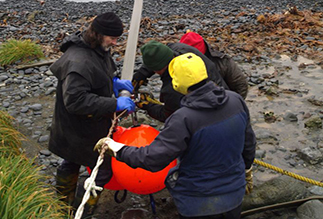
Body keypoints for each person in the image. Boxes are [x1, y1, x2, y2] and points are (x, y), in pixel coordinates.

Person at [99, 53, 256, 219]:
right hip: (234, 194)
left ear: (177, 83)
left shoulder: (183, 118)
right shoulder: (236, 100)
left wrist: (118, 149)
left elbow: (153, 158)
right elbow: (249, 143)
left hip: (198, 202)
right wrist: (247, 170)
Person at [48, 12, 135, 219]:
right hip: (79, 126)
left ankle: (62, 207)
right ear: (97, 34)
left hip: (79, 126)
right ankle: (81, 212)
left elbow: (99, 74)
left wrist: (112, 83)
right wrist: (115, 102)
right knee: (102, 171)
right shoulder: (79, 61)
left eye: (117, 38)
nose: (115, 42)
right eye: (112, 38)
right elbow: (76, 101)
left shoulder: (97, 48)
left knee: (71, 160)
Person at [133, 40, 228, 122]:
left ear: (156, 69)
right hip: (224, 95)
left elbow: (169, 116)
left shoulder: (173, 87)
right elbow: (159, 56)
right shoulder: (178, 48)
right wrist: (140, 75)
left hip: (212, 112)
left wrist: (148, 105)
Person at [179, 31, 248, 98]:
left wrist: (233, 104)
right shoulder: (176, 66)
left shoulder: (222, 61)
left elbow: (240, 85)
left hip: (222, 101)